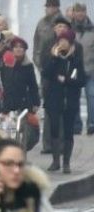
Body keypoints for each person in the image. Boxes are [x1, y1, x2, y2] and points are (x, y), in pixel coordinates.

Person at [42, 31, 86, 172]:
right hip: (54, 100)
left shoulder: (76, 60)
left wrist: (66, 80)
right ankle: (56, 161)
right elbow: (46, 73)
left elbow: (82, 80)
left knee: (68, 132)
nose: (62, 43)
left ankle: (66, 163)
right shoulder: (54, 58)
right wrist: (54, 58)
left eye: (65, 41)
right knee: (55, 129)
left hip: (70, 100)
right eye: (60, 40)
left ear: (71, 43)